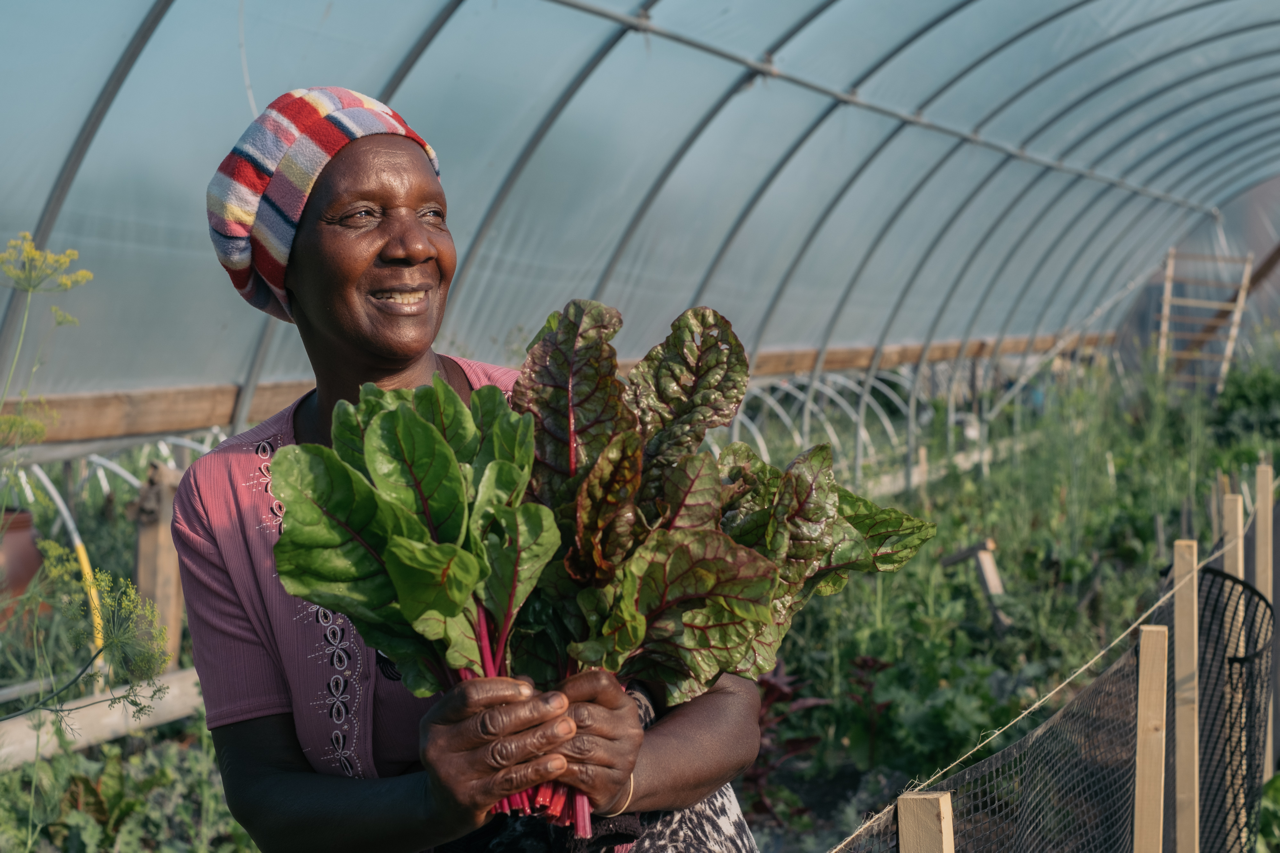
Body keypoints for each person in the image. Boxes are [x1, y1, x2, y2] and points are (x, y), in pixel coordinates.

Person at [178, 86, 760, 852]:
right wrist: (435, 803)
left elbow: (732, 706)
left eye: (432, 212)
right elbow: (262, 790)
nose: (413, 242)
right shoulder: (224, 495)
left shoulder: (553, 419)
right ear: (286, 261)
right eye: (361, 215)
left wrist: (627, 772)